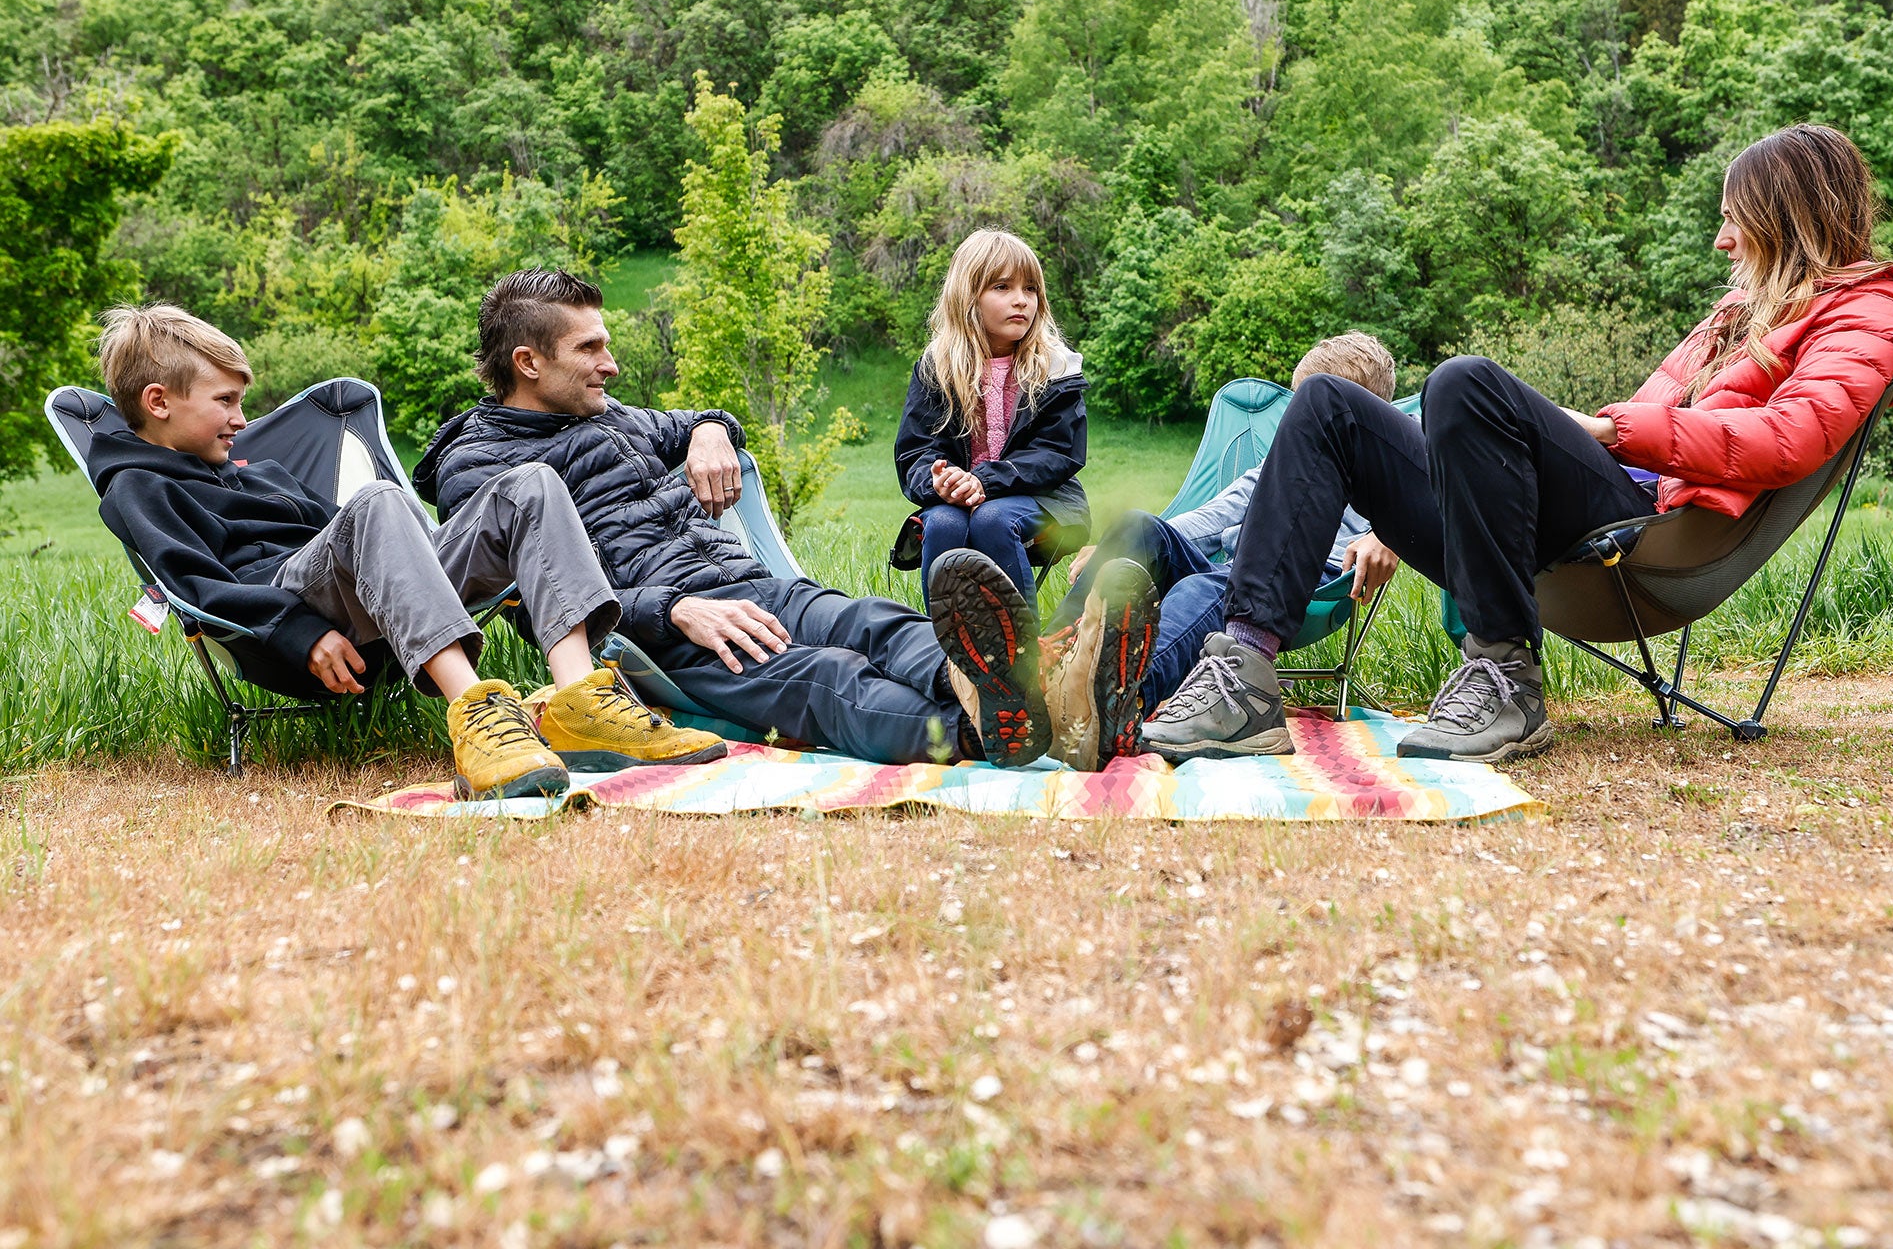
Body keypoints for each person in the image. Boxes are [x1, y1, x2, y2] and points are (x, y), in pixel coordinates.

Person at [1143, 125, 1893, 766]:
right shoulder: (1738, 313)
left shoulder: (1873, 315)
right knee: (1328, 403)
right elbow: (1637, 428)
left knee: (1464, 380)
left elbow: (1788, 437)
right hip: (1593, 510)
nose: (1721, 242)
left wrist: (1607, 427)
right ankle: (1244, 674)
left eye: (1731, 219)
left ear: (1785, 215)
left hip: (1649, 534)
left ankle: (1504, 674)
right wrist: (1548, 438)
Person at [418, 270, 1145, 771]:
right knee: (827, 679)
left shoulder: (609, 415)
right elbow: (525, 601)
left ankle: (1023, 693)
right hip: (670, 632)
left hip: (744, 579)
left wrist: (710, 429)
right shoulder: (482, 467)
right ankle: (981, 731)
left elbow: (707, 421)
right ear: (528, 363)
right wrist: (676, 612)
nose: (611, 363)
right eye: (591, 348)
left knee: (873, 622)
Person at [86, 305, 724, 801]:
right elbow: (192, 586)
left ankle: (579, 699)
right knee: (381, 501)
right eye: (225, 402)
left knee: (530, 483)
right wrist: (299, 630)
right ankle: (477, 717)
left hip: (372, 608)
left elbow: (354, 538)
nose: (241, 419)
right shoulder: (137, 486)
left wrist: (447, 548)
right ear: (159, 402)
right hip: (284, 631)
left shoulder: (259, 473)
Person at [1053, 332, 1403, 760]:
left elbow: (1431, 498)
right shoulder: (1284, 459)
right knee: (1138, 527)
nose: (1299, 419)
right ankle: (1047, 665)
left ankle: (1119, 701)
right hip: (1240, 575)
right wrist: (1116, 544)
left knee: (1209, 588)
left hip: (1310, 588)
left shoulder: (1385, 464)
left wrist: (1386, 534)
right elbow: (1216, 514)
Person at [891, 229, 1157, 770]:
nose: (1021, 300)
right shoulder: (938, 366)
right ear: (969, 299)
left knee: (991, 518)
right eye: (1003, 287)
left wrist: (985, 479)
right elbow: (915, 453)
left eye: (1030, 289)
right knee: (941, 525)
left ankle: (1024, 676)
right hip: (965, 498)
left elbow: (1060, 454)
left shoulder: (1055, 367)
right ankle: (961, 676)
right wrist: (939, 480)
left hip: (1043, 503)